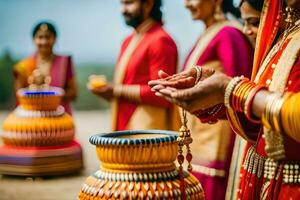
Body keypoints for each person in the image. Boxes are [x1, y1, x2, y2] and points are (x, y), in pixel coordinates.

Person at [150, 0, 300, 198]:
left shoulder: (229, 33)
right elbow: (258, 112)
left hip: (222, 156)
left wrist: (229, 90)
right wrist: (216, 100)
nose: (186, 4)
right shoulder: (289, 34)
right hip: (265, 178)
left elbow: (239, 86)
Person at [155, 0, 253, 199]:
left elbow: (241, 92)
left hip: (217, 149)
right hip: (200, 142)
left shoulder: (229, 34)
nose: (186, 4)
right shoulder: (210, 33)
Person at [89, 0, 178, 131]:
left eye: (129, 3)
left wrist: (115, 90)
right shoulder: (128, 41)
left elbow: (162, 94)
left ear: (148, 4)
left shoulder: (160, 40)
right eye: (122, 4)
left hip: (148, 134)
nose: (123, 10)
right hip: (124, 126)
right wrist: (108, 92)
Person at [13, 21, 77, 115]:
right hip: (32, 119)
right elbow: (19, 95)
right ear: (34, 39)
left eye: (48, 37)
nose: (44, 41)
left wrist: (52, 97)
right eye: (40, 37)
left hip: (59, 117)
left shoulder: (64, 62)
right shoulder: (24, 66)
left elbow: (74, 93)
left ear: (55, 39)